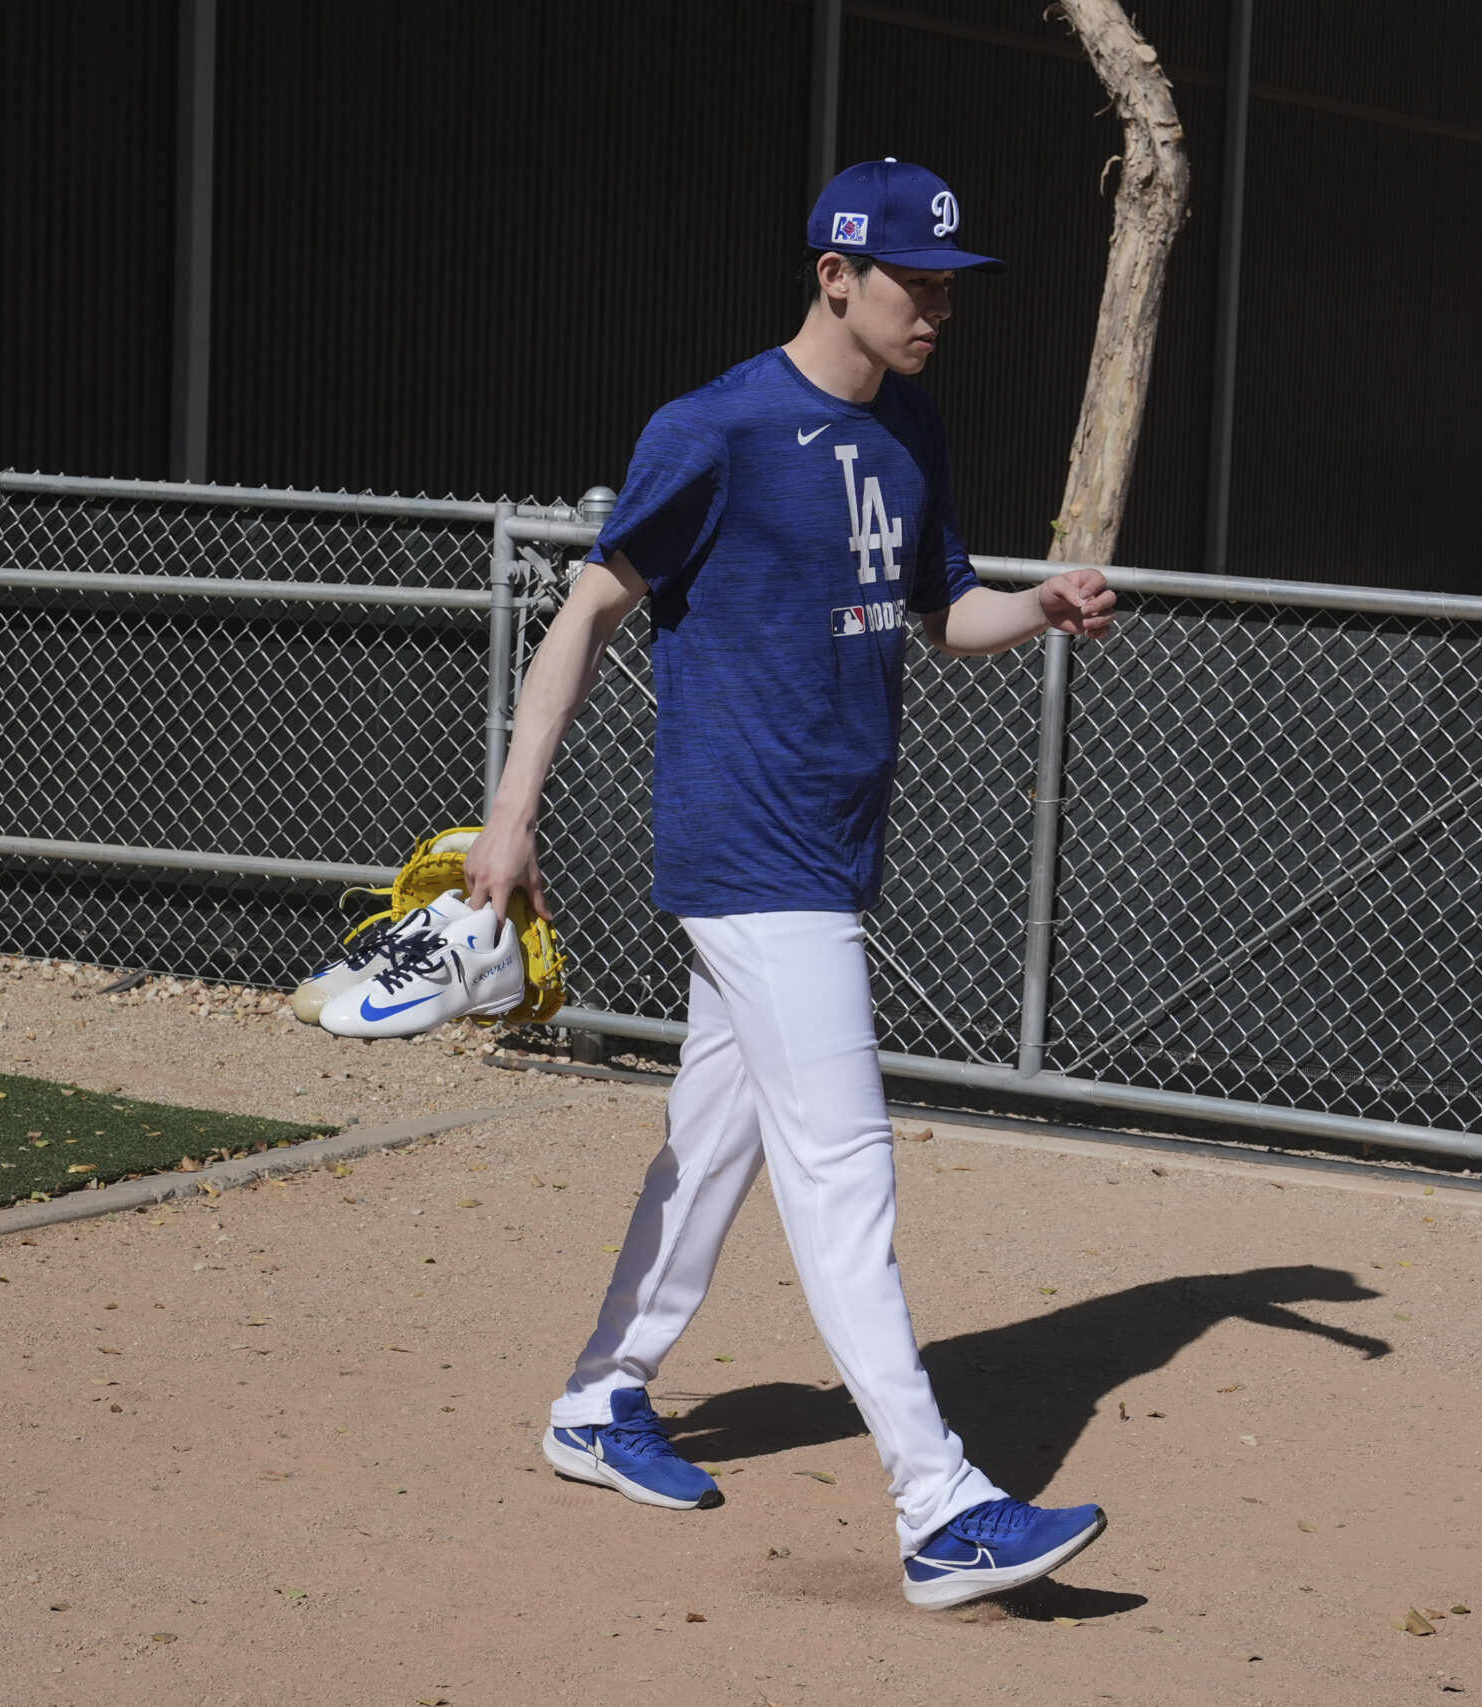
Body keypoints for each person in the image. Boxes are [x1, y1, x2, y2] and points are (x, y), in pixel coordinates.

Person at [462, 159, 1119, 1611]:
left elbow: (945, 612)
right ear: (835, 275)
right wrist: (510, 822)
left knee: (716, 1143)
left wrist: (1044, 607)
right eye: (913, 284)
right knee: (845, 1168)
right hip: (747, 855)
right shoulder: (717, 429)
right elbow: (585, 608)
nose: (939, 309)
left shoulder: (915, 428)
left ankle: (598, 1398)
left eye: (951, 287)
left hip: (828, 852)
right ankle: (941, 1504)